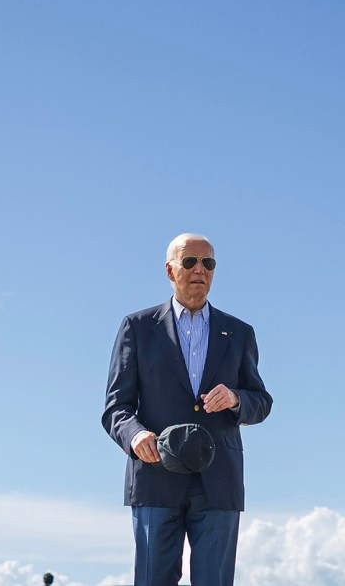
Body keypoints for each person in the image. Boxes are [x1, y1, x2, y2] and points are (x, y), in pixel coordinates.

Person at [103, 233, 273, 586]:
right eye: (190, 262)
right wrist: (135, 437)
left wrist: (237, 398)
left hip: (219, 480)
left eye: (208, 263)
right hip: (154, 476)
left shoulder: (240, 333)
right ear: (170, 270)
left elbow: (262, 401)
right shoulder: (137, 328)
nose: (200, 269)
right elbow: (116, 407)